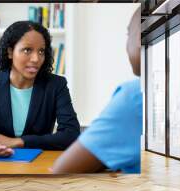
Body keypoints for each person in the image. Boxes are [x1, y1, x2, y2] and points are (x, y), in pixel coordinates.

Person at [0, 21, 80, 157]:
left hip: (40, 162)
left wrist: (19, 142)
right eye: (27, 50)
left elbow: (71, 134)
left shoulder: (56, 84)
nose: (36, 58)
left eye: (41, 51)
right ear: (10, 52)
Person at [52, 7, 142, 174]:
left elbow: (61, 173)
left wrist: (20, 141)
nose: (36, 59)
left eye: (128, 34)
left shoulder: (135, 96)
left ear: (140, 39)